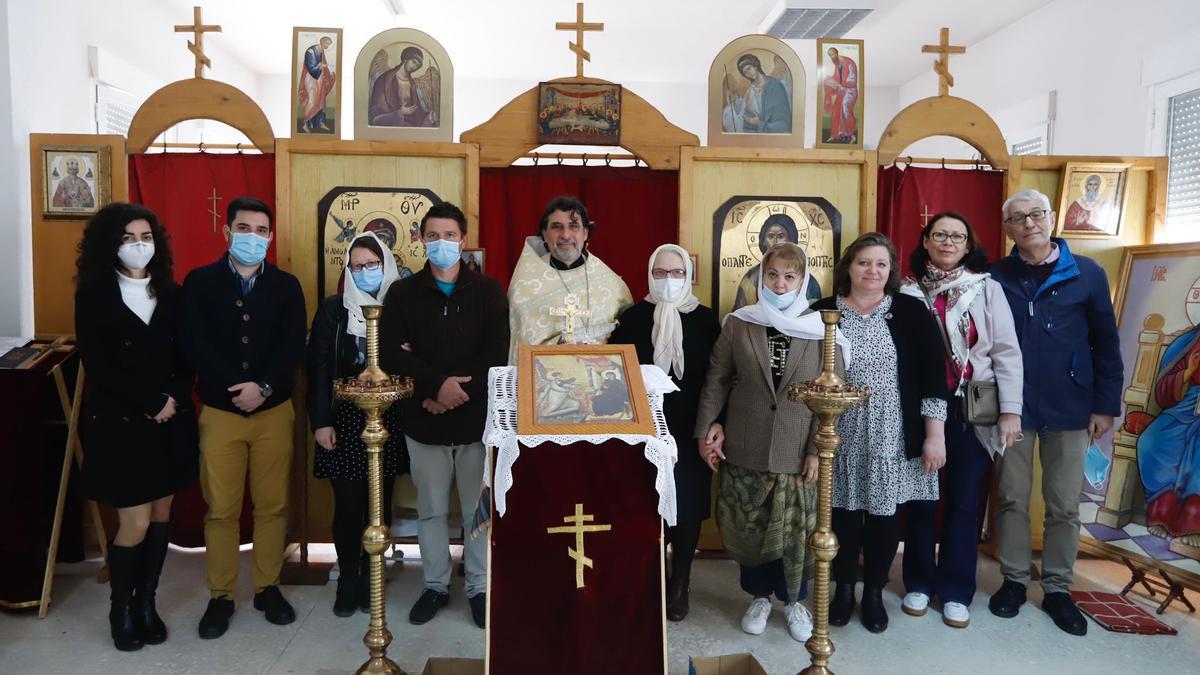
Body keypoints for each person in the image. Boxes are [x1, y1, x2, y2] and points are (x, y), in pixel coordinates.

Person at [988, 189, 1122, 636]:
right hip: (1013, 407)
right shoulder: (995, 276)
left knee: (1064, 504)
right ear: (1008, 228)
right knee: (1010, 497)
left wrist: (1106, 404)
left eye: (1037, 214)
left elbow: (1106, 341)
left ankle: (1060, 589)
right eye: (1019, 218)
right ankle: (1013, 581)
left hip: (1071, 406)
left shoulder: (1087, 273)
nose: (1029, 223)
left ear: (1050, 218)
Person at [694, 242, 838, 643]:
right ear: (762, 276)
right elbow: (717, 379)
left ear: (803, 280)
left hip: (798, 450)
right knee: (751, 527)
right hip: (746, 443)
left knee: (796, 533)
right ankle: (758, 596)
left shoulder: (823, 328)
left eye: (790, 276)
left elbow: (831, 395)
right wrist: (709, 428)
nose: (780, 283)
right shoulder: (740, 322)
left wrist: (816, 450)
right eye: (772, 274)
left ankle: (794, 602)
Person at [180, 196, 307, 640]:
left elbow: (293, 345)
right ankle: (222, 595)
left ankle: (269, 588)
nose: (252, 237)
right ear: (227, 232)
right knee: (222, 509)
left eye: (260, 230)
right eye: (244, 228)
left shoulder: (287, 286)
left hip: (273, 411)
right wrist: (237, 388)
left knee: (272, 506)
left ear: (270, 237)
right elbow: (194, 343)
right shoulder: (199, 282)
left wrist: (265, 388)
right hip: (220, 410)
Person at [75, 203, 198, 651]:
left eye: (145, 237)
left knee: (162, 514)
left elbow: (187, 359)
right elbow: (99, 364)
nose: (138, 246)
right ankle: (121, 610)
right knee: (136, 523)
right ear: (110, 243)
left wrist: (174, 400)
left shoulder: (173, 293)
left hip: (170, 421)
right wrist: (150, 402)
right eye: (128, 238)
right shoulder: (93, 295)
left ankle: (148, 604)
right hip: (122, 424)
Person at [380, 202, 509, 629]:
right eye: (432, 236)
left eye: (449, 236)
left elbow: (496, 352)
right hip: (424, 418)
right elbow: (391, 351)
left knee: (478, 511)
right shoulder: (402, 293)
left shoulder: (488, 292)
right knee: (431, 510)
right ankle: (434, 584)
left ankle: (479, 587)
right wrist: (436, 388)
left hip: (475, 422)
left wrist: (459, 393)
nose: (441, 244)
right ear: (420, 240)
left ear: (463, 240)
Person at [813, 232, 948, 634]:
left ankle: (873, 592)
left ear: (890, 271)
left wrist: (934, 435)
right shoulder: (821, 312)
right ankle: (842, 591)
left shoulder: (910, 312)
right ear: (848, 268)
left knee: (884, 517)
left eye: (881, 264)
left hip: (892, 429)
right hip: (837, 430)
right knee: (841, 515)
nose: (872, 271)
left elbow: (932, 379)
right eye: (863, 263)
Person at [897, 212, 1023, 629]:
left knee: (965, 501)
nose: (948, 242)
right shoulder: (905, 290)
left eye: (957, 236)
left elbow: (1005, 352)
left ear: (969, 246)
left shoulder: (986, 289)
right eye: (940, 235)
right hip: (916, 409)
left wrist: (1010, 411)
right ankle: (917, 580)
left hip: (971, 408)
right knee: (919, 497)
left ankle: (955, 589)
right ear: (926, 241)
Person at [609, 244, 721, 621]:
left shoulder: (706, 319)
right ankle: (655, 576)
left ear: (688, 275)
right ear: (649, 275)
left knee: (687, 508)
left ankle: (681, 583)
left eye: (676, 273)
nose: (669, 280)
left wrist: (714, 424)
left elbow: (719, 377)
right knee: (648, 505)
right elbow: (616, 375)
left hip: (691, 429)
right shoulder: (633, 318)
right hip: (643, 430)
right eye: (661, 273)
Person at [307, 232, 409, 617]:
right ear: (348, 270)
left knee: (378, 506)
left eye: (373, 265)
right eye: (358, 266)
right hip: (344, 420)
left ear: (386, 266)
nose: (366, 272)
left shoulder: (400, 308)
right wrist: (320, 422)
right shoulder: (334, 311)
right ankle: (348, 577)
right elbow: (318, 369)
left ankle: (372, 577)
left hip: (389, 418)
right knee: (348, 506)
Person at [506, 195, 633, 362]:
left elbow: (625, 339)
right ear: (544, 234)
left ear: (585, 232)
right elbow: (518, 343)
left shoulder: (613, 285)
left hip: (600, 375)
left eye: (574, 226)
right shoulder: (524, 286)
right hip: (543, 376)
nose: (565, 235)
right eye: (556, 227)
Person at [1139, 322, 1200, 546]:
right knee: (1150, 441)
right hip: (1185, 407)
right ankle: (1162, 511)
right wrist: (1188, 374)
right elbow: (1163, 392)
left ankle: (1193, 521)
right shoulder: (1188, 343)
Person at [734, 214, 822, 310]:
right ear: (763, 241)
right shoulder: (751, 278)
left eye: (781, 236)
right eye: (770, 236)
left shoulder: (815, 321)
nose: (779, 285)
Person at [368, 46, 437, 127]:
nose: (414, 67)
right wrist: (399, 113)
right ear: (406, 58)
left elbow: (416, 109)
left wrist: (429, 117)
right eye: (414, 62)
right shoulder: (385, 79)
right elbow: (377, 113)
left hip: (409, 125)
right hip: (391, 125)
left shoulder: (412, 84)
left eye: (417, 66)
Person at [724, 53, 791, 133]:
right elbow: (743, 113)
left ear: (755, 65)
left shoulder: (775, 86)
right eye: (745, 72)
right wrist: (733, 103)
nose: (748, 73)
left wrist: (760, 124)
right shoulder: (750, 91)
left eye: (749, 68)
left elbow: (783, 123)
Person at [298, 36, 335, 133]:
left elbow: (324, 64)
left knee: (321, 101)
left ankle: (321, 123)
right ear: (322, 42)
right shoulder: (310, 52)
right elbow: (310, 68)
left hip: (320, 78)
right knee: (312, 100)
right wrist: (321, 66)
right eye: (327, 43)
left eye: (329, 44)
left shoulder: (322, 51)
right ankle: (305, 124)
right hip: (311, 78)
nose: (327, 46)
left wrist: (328, 72)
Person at [822, 47, 859, 144]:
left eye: (833, 54)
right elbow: (836, 77)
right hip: (842, 90)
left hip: (850, 91)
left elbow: (853, 81)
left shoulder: (850, 63)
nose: (832, 57)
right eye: (830, 56)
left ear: (837, 53)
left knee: (845, 107)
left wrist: (839, 84)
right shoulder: (837, 65)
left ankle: (850, 134)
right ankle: (835, 135)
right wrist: (830, 81)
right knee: (835, 110)